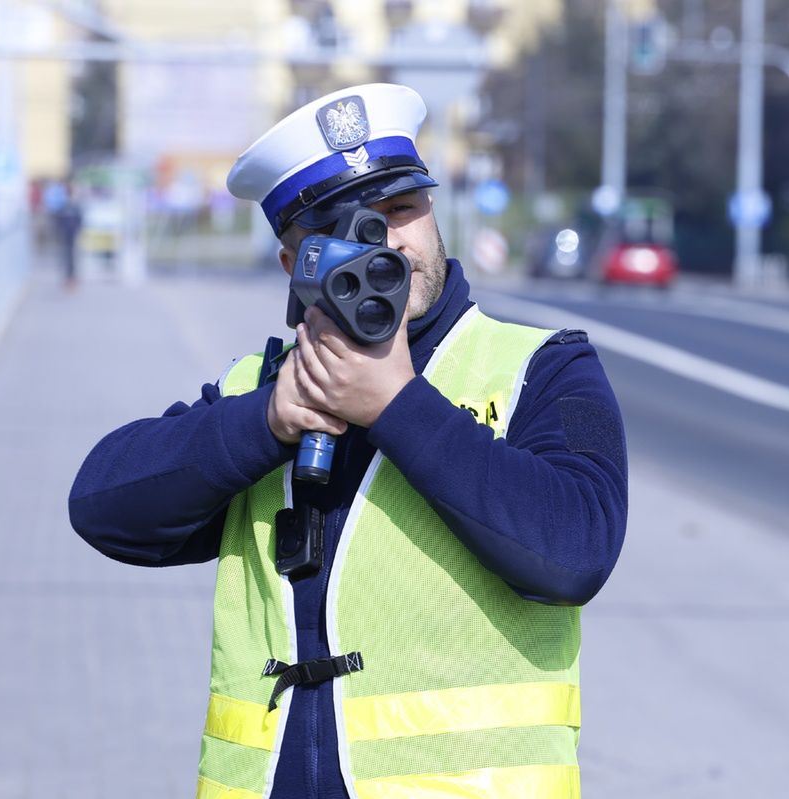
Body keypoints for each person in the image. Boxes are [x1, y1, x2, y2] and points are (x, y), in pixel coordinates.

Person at [68, 84, 628, 799]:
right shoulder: (261, 386)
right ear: (293, 266)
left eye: (401, 210)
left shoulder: (544, 366)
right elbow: (103, 505)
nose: (387, 242)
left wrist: (397, 405)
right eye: (345, 228)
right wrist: (270, 420)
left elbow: (576, 551)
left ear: (432, 212)